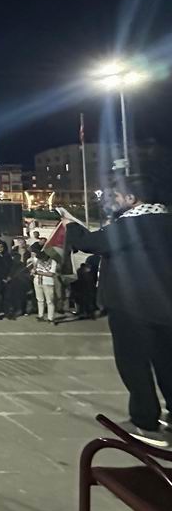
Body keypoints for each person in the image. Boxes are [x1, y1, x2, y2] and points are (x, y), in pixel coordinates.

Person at [62, 175, 172, 447]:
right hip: (165, 306)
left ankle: (146, 422)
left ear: (132, 198)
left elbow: (89, 243)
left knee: (134, 364)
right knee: (167, 362)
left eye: (117, 195)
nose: (113, 200)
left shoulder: (132, 225)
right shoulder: (167, 222)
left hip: (131, 307)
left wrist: (69, 225)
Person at [31, 249, 58, 323]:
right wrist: (33, 270)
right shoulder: (37, 260)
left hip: (48, 282)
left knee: (49, 301)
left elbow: (51, 274)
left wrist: (38, 272)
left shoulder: (53, 262)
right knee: (40, 300)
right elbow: (34, 268)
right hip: (37, 281)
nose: (40, 259)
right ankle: (41, 316)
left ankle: (50, 318)